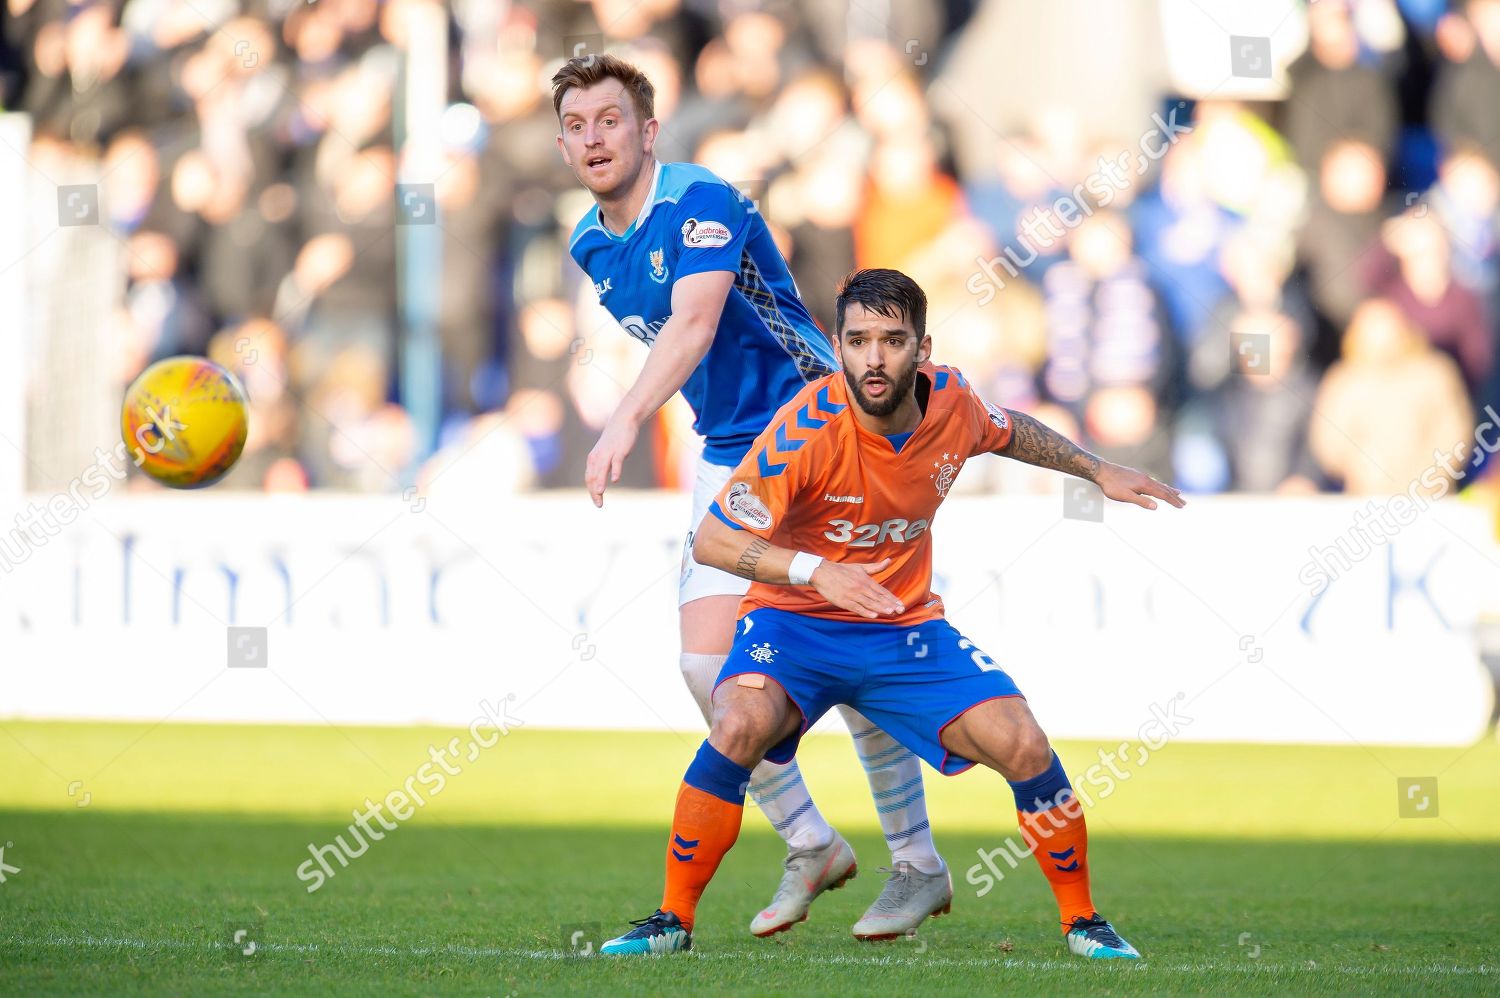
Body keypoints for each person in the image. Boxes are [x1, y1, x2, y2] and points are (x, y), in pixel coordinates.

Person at [598, 268, 1184, 958]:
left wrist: (1095, 469)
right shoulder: (805, 428)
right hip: (794, 626)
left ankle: (1083, 923)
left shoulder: (954, 402)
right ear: (839, 346)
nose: (873, 359)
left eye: (892, 340)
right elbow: (719, 539)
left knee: (1024, 743)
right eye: (857, 340)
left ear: (922, 349)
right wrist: (821, 574)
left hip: (903, 627)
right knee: (737, 724)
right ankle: (672, 921)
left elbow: (1008, 430)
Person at [553, 54, 951, 938]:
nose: (594, 139)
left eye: (611, 120)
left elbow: (695, 323)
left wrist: (622, 420)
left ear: (648, 131)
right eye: (577, 126)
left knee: (855, 662)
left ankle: (918, 862)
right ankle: (812, 840)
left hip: (816, 427)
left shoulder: (703, 200)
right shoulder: (588, 241)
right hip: (730, 450)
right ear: (562, 143)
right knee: (704, 670)